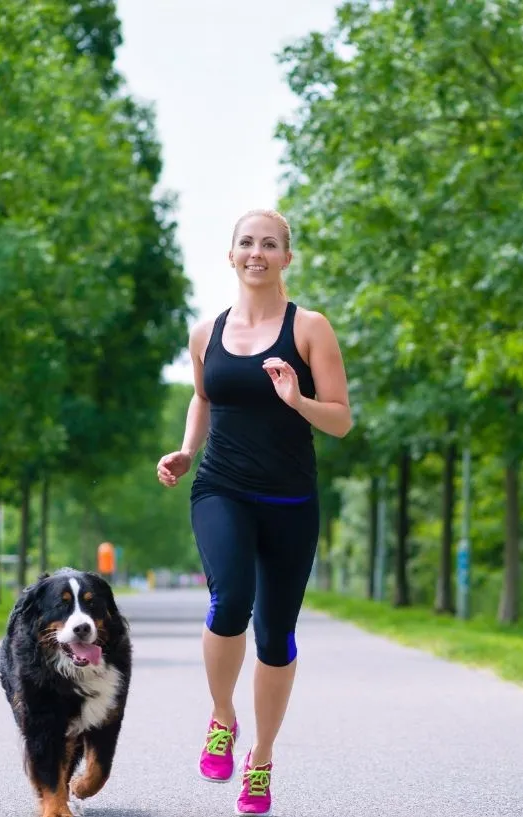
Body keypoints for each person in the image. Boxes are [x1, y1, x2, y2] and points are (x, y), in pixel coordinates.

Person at [156, 208, 352, 815]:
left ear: (286, 258)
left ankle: (261, 758)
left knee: (275, 635)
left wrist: (298, 399)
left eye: (270, 244)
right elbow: (203, 396)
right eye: (247, 243)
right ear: (231, 255)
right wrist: (189, 450)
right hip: (222, 488)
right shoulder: (205, 333)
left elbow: (341, 418)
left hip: (291, 500)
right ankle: (222, 716)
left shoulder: (310, 328)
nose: (257, 253)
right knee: (229, 600)